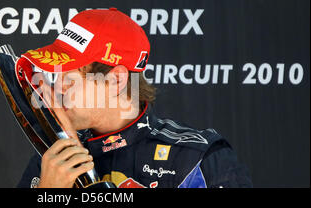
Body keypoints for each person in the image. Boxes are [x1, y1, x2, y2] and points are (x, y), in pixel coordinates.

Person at [16, 8, 252, 188]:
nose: (57, 89)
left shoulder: (196, 159)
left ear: (116, 80)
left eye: (69, 79)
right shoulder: (53, 157)